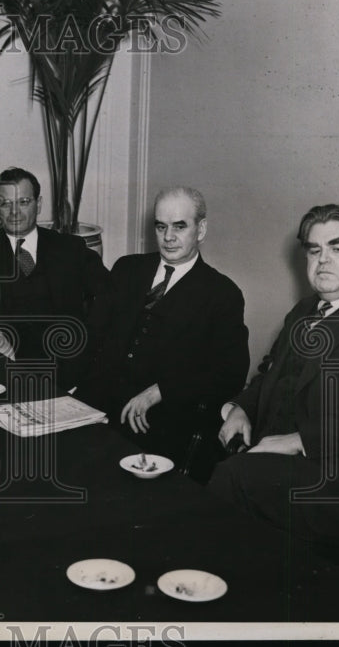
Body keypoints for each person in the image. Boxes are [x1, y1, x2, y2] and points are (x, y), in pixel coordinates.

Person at [209, 204, 339, 544]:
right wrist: (242, 409)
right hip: (301, 462)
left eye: (338, 248)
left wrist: (297, 441)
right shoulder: (304, 310)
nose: (323, 259)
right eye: (314, 250)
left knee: (235, 477)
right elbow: (270, 372)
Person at [80, 187, 249, 481]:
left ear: (201, 229)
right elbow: (92, 337)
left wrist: (161, 391)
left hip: (160, 424)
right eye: (161, 226)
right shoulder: (127, 269)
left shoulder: (221, 294)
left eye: (179, 226)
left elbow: (230, 373)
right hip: (97, 410)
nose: (168, 237)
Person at [0, 167, 109, 387]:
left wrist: (87, 345)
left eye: (23, 201)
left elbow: (109, 297)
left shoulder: (70, 248)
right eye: (5, 203)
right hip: (2, 372)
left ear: (39, 204)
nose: (14, 212)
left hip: (69, 376)